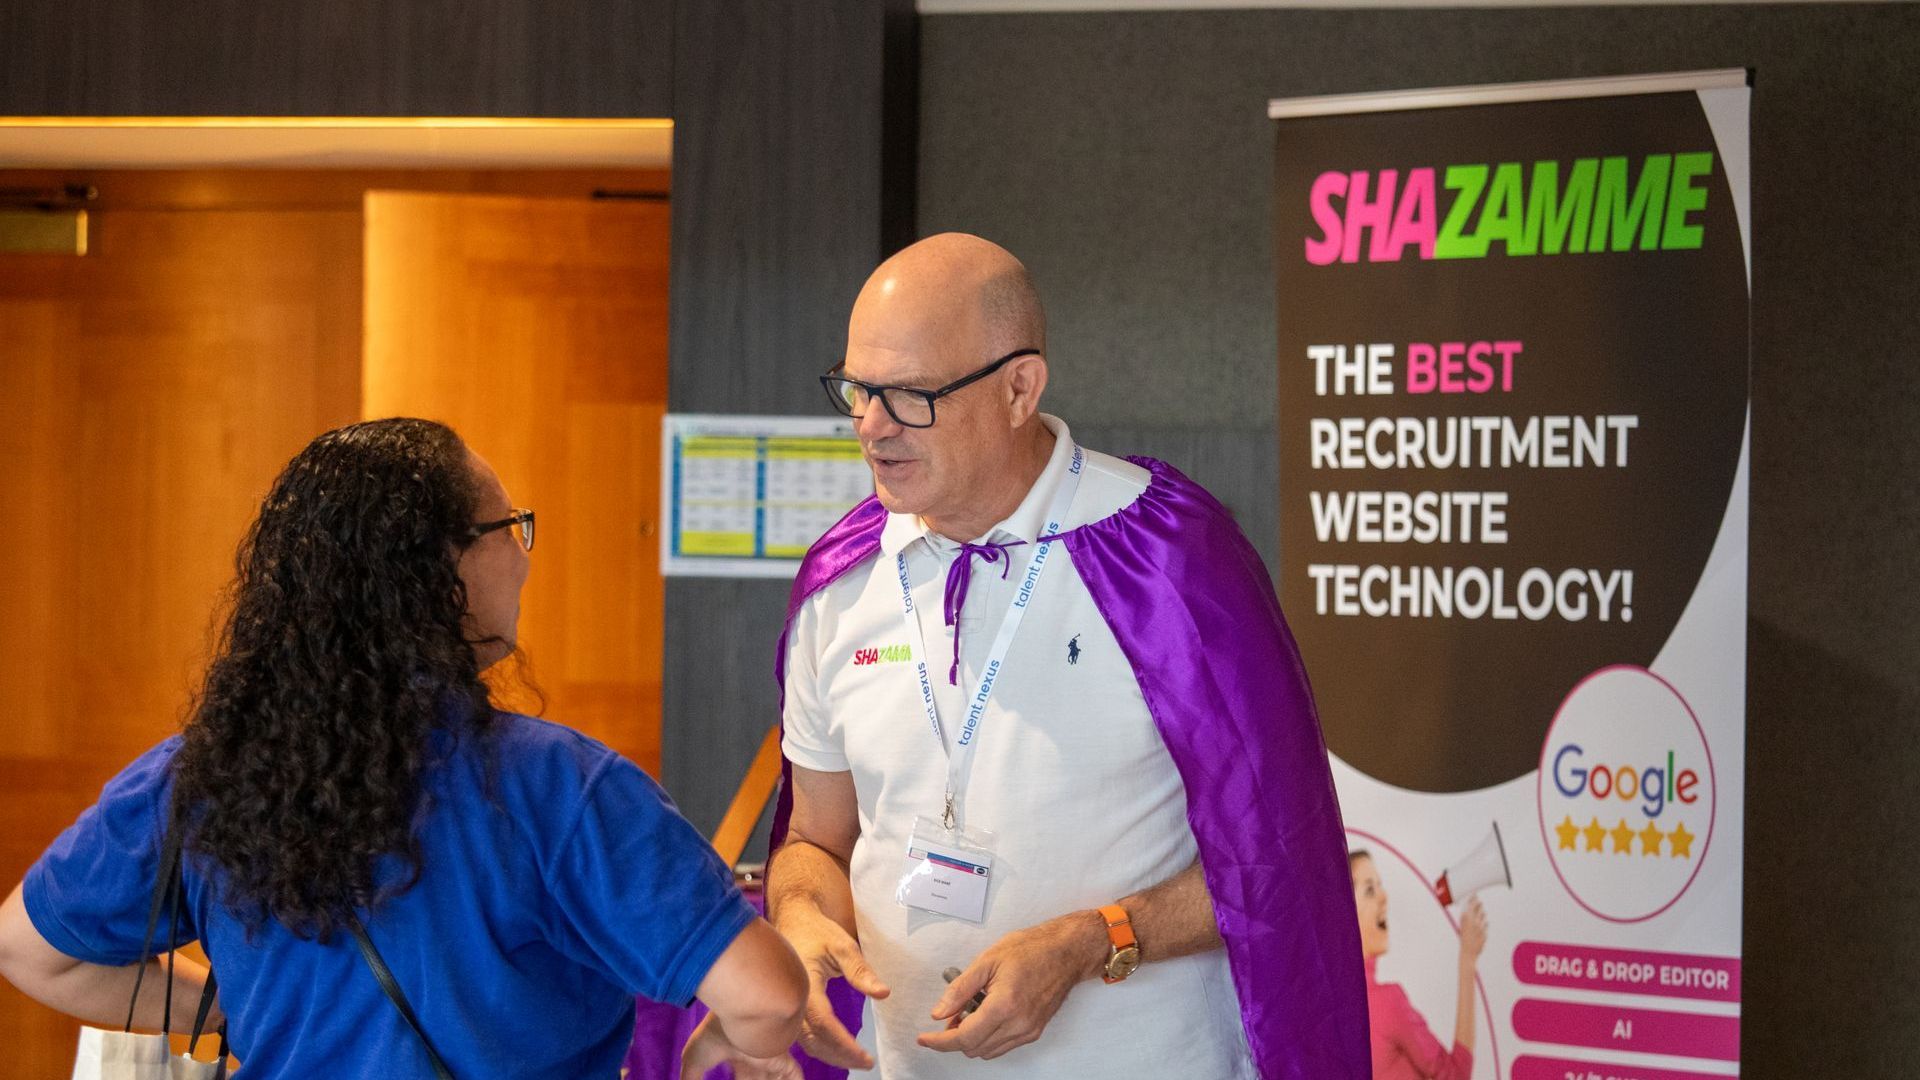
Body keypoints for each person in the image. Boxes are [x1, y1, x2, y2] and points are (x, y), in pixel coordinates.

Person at [0, 417, 807, 1079]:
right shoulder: (563, 786)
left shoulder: (202, 776)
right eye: (508, 528)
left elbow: (30, 953)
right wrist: (731, 1039)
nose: (524, 555)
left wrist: (220, 1012)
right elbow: (768, 1000)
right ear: (442, 568)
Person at [743, 233, 1368, 1079]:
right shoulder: (838, 580)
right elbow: (816, 838)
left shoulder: (1168, 561)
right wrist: (802, 911)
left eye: (909, 395)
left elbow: (1277, 858)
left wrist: (1090, 941)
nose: (870, 425)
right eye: (856, 388)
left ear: (1018, 387)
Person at [1349, 850, 1488, 1080]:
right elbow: (1456, 1075)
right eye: (1370, 890)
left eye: (1379, 886)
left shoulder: (1325, 1008)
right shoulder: (1387, 1003)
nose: (1384, 896)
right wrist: (1468, 960)